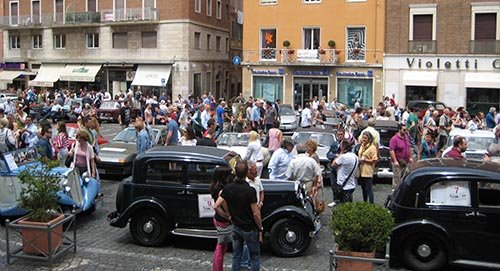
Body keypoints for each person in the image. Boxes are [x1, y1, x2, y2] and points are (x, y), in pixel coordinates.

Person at [213, 161, 263, 271]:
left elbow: (216, 206)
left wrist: (228, 216)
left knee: (237, 255)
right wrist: (260, 228)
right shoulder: (250, 191)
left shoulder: (228, 188)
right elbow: (255, 213)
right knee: (254, 256)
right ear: (246, 173)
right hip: (249, 227)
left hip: (236, 226)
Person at [209, 166, 233, 271]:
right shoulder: (222, 191)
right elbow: (220, 206)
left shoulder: (214, 187)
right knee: (221, 245)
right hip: (223, 221)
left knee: (222, 245)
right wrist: (227, 216)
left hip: (218, 219)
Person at [331, 140, 358, 205]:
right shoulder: (355, 156)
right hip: (351, 184)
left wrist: (340, 153)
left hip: (342, 184)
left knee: (342, 204)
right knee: (349, 204)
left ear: (343, 147)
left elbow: (333, 164)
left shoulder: (343, 157)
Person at [389, 124, 413, 189]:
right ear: (399, 130)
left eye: (406, 130)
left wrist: (410, 157)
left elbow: (409, 147)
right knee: (397, 179)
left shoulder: (406, 138)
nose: (405, 131)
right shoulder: (394, 139)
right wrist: (395, 161)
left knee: (404, 178)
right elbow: (391, 150)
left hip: (406, 162)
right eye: (404, 130)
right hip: (398, 162)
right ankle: (395, 193)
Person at [357, 132, 377, 204]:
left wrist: (365, 160)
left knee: (369, 189)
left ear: (369, 139)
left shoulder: (372, 148)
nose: (363, 139)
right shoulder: (361, 146)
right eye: (363, 138)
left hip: (367, 171)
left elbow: (374, 160)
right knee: (363, 188)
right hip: (361, 170)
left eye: (365, 138)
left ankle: (371, 204)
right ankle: (365, 202)